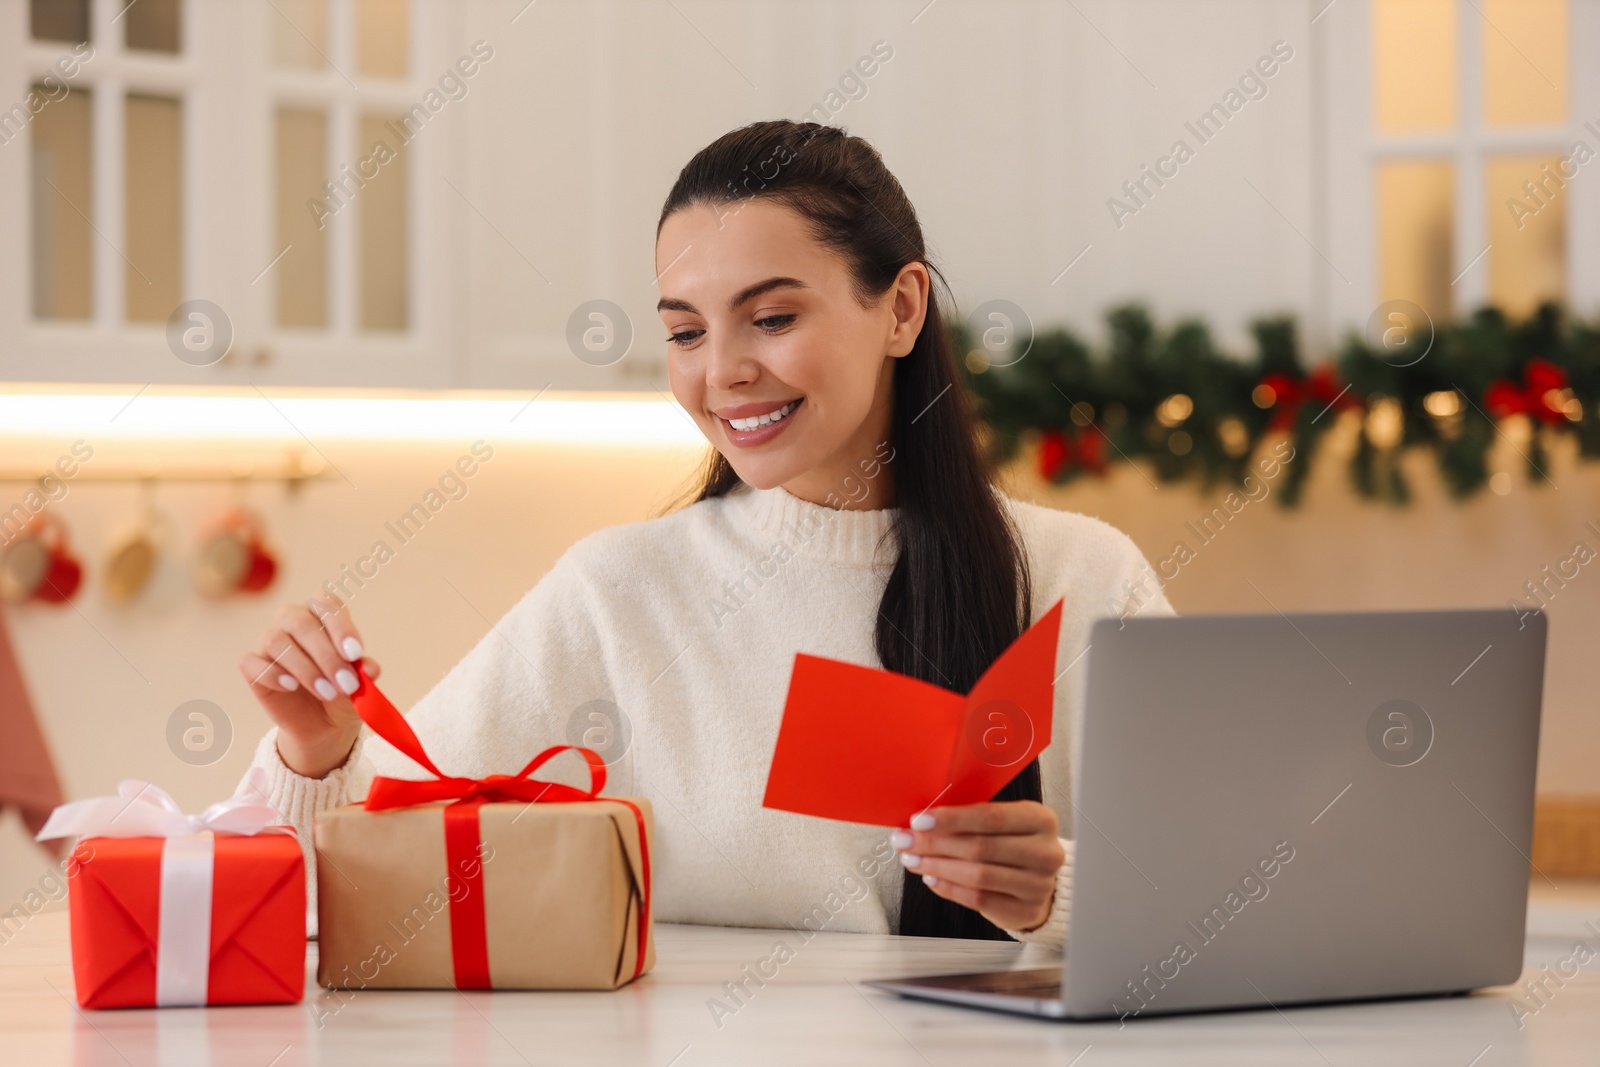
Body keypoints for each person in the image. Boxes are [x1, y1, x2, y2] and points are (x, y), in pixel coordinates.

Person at [238, 119, 1172, 946]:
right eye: (685, 334)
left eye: (770, 318)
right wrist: (316, 755)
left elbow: (1244, 899)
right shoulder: (615, 592)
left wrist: (1063, 895)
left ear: (901, 308)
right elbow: (321, 877)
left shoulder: (1084, 580)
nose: (722, 372)